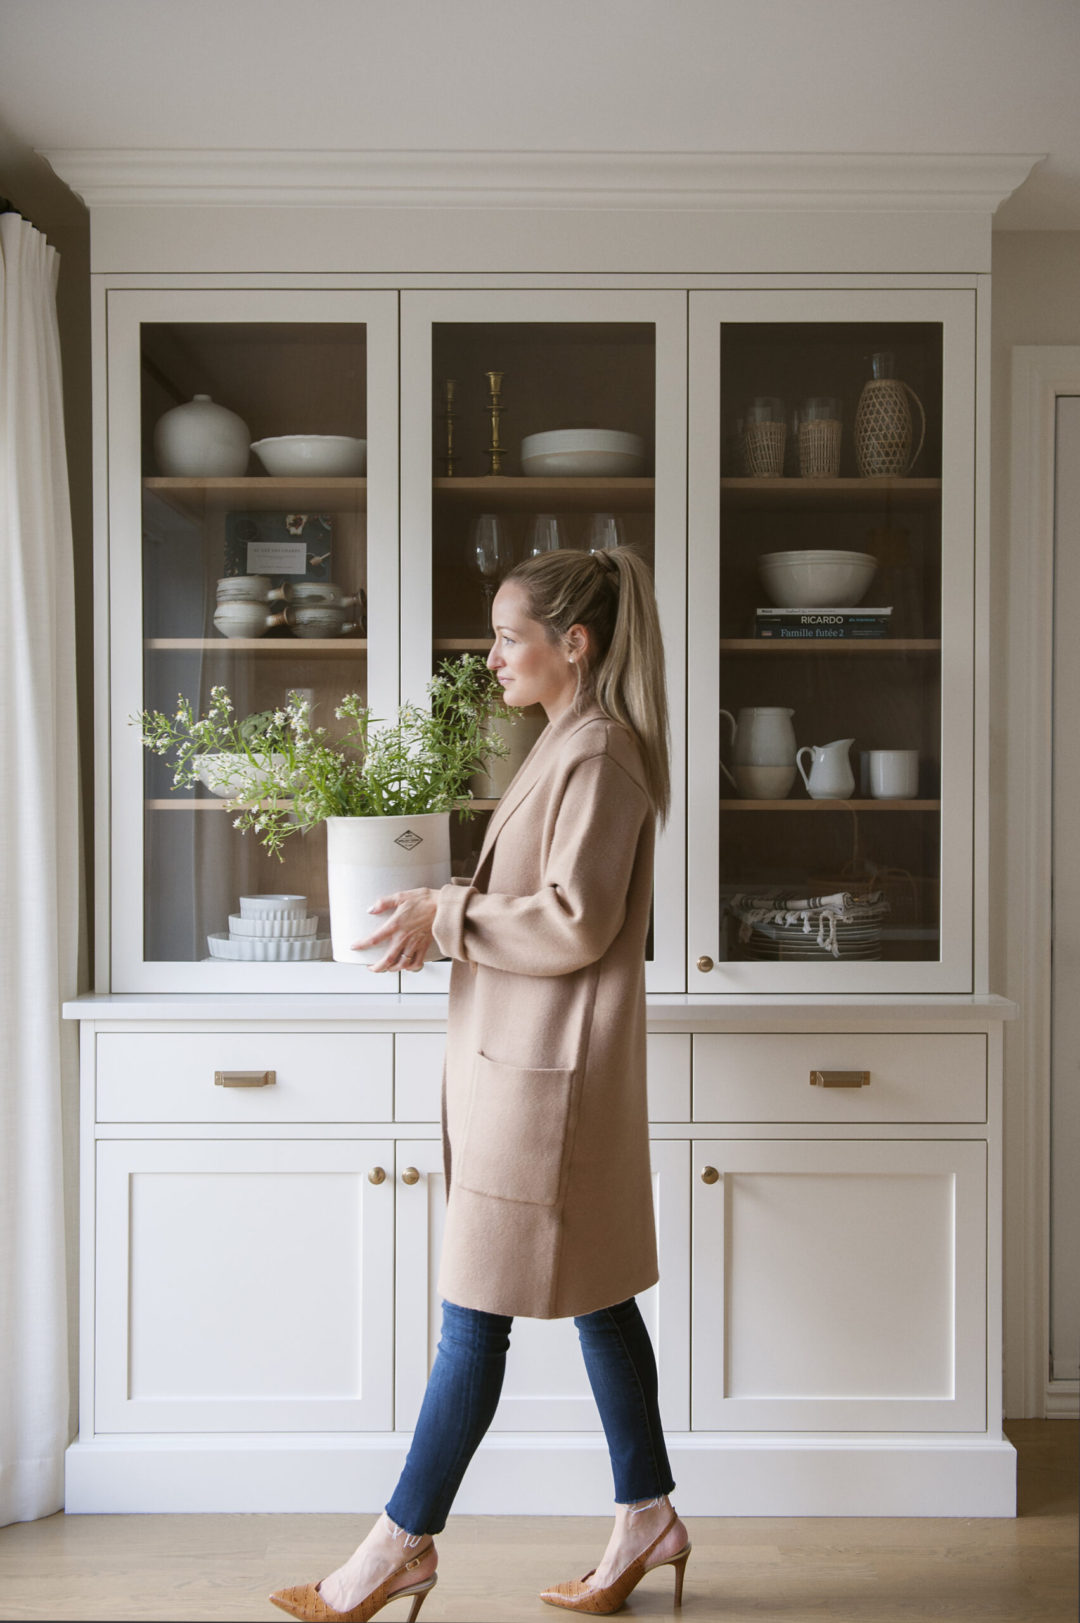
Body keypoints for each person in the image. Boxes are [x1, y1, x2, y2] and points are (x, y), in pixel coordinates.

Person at [270, 546, 690, 1623]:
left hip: (543, 1086)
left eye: (509, 635)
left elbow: (576, 918)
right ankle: (648, 1515)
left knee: (473, 1320)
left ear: (574, 644)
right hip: (537, 1073)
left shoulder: (597, 753)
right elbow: (550, 898)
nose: (492, 654)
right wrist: (450, 902)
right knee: (600, 1302)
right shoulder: (572, 742)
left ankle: (398, 1546)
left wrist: (447, 915)